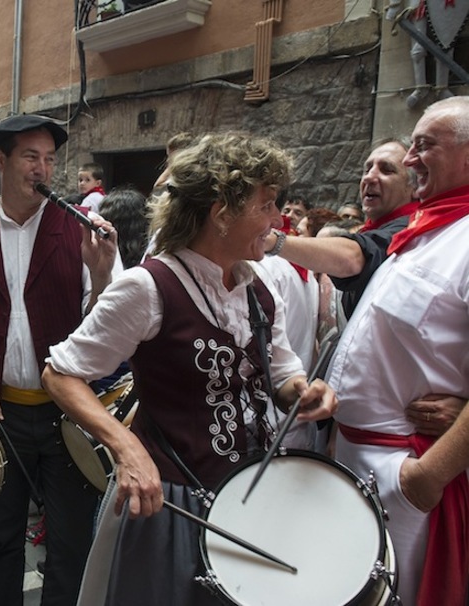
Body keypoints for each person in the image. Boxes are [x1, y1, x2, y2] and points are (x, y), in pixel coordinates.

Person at [42, 133, 338, 605]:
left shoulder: (258, 286)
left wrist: (303, 391)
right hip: (172, 507)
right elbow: (60, 374)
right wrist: (126, 448)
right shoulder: (148, 287)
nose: (277, 220)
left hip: (250, 496)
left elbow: (282, 374)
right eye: (265, 206)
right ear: (222, 212)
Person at [0, 114, 120, 605]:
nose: (43, 169)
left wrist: (102, 277)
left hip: (69, 415)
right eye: (30, 157)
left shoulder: (81, 231)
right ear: (0, 161)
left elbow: (105, 332)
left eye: (49, 159)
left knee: (70, 541)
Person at [327, 96, 469, 606]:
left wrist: (427, 478)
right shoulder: (426, 230)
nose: (411, 160)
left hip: (405, 473)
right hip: (355, 460)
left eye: (425, 146)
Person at [264, 139, 420, 316]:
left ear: (415, 186)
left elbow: (353, 258)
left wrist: (269, 240)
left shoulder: (411, 229)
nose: (369, 177)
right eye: (367, 169)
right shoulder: (377, 228)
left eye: (387, 170)